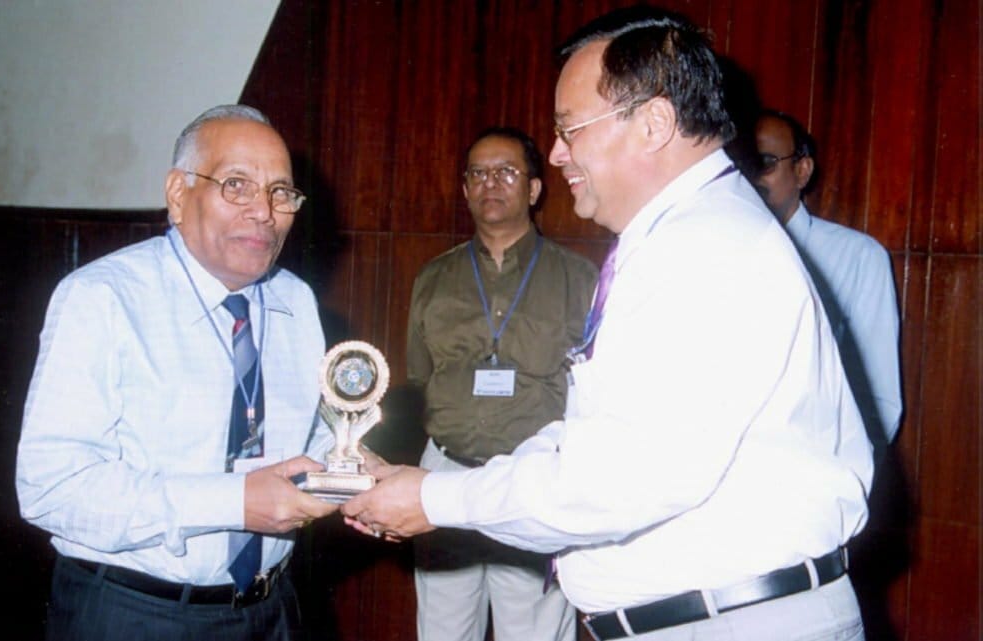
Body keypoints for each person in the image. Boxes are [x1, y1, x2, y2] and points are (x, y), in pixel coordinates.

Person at [343, 7, 875, 641]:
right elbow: (599, 435)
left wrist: (434, 500)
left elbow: (619, 477)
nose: (557, 154)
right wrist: (434, 486)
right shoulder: (688, 234)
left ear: (654, 123)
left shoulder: (703, 249)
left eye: (569, 129)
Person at [16, 104, 338, 641]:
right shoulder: (102, 297)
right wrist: (234, 502)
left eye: (280, 192)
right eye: (237, 185)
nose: (263, 211)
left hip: (270, 611)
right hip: (135, 614)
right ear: (177, 194)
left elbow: (313, 436)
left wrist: (353, 464)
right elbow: (52, 488)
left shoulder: (296, 300)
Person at [406, 127, 595, 641]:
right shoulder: (433, 278)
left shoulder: (580, 280)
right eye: (479, 173)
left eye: (507, 171)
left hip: (533, 481)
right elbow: (419, 375)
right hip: (446, 475)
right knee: (443, 631)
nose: (491, 182)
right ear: (465, 189)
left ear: (534, 189)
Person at [752, 110, 902, 448]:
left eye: (765, 163)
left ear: (802, 171)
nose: (751, 177)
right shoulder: (720, 248)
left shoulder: (858, 256)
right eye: (742, 165)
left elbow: (880, 399)